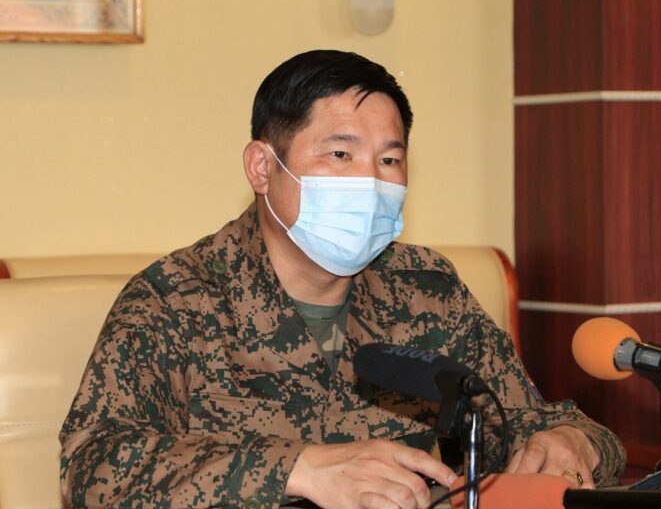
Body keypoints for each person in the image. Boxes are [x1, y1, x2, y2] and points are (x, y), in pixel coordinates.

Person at [60, 50, 625, 509]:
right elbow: (93, 467)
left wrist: (571, 443)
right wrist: (298, 468)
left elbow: (522, 421)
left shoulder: (426, 290)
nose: (369, 183)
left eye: (389, 161)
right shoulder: (177, 297)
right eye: (340, 154)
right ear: (262, 167)